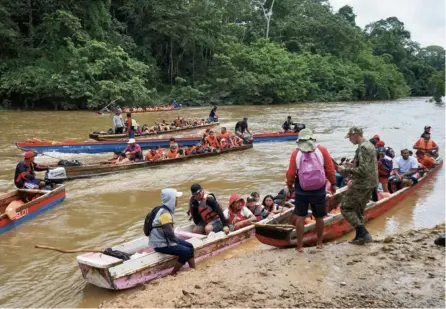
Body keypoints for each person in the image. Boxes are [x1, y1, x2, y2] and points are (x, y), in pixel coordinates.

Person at [286, 128, 336, 251]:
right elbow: (330, 169)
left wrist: (290, 185)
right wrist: (333, 183)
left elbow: (291, 173)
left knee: (300, 216)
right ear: (312, 139)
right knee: (319, 217)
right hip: (319, 188)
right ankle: (319, 243)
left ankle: (299, 246)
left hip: (301, 189)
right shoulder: (321, 150)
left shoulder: (296, 153)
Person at [337, 127, 378, 245]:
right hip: (371, 182)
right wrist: (351, 165)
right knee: (358, 210)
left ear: (355, 135)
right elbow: (367, 165)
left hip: (363, 182)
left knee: (345, 208)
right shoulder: (369, 145)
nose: (349, 140)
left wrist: (347, 170)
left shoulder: (363, 147)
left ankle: (364, 234)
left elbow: (364, 169)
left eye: (349, 137)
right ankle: (360, 236)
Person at [146, 188, 195, 276]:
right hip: (161, 244)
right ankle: (174, 272)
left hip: (160, 241)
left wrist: (178, 241)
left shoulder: (160, 209)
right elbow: (169, 234)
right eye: (176, 198)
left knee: (190, 246)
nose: (177, 200)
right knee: (186, 251)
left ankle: (193, 269)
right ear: (171, 199)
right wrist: (178, 243)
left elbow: (169, 234)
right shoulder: (165, 214)